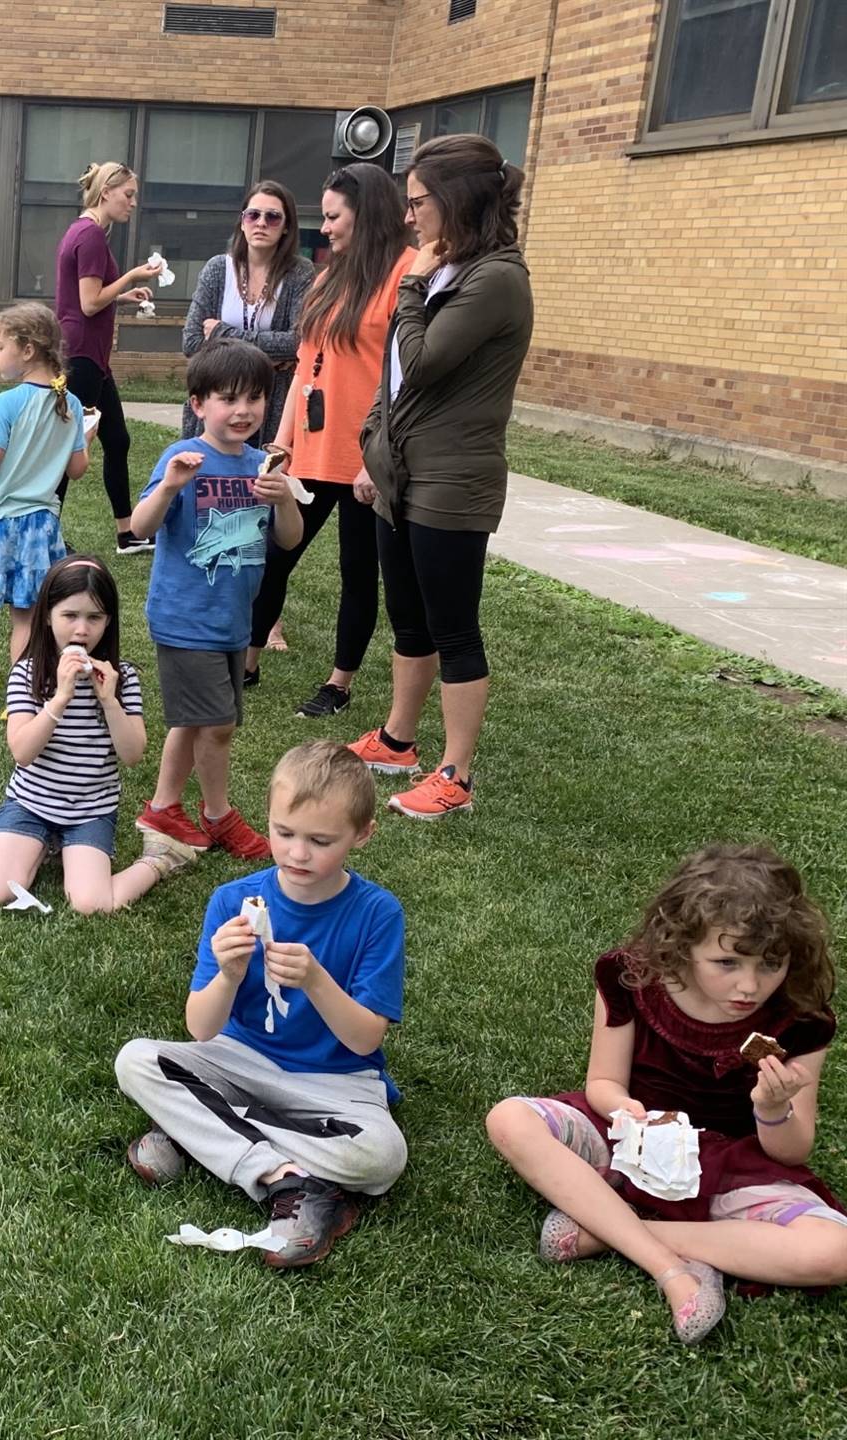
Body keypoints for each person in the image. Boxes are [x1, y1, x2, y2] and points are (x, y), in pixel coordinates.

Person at [485, 844, 845, 1345]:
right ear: (682, 945)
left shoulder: (802, 1020)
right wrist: (624, 1109)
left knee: (836, 1252)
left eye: (771, 963)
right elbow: (603, 1083)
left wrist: (772, 1108)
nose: (749, 985)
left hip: (727, 1161)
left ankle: (610, 1232)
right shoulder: (632, 978)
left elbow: (791, 1151)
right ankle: (671, 1268)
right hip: (630, 1135)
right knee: (509, 1119)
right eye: (726, 962)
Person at [114, 740, 407, 1268]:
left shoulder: (377, 913)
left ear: (362, 835)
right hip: (239, 1061)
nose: (297, 854)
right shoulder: (232, 901)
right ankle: (286, 1179)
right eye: (284, 833)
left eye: (320, 840)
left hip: (339, 1084)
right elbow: (201, 1028)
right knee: (134, 1060)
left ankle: (201, 1134)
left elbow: (365, 1040)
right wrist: (228, 973)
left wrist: (317, 981)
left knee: (383, 1157)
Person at [348, 134, 534, 819]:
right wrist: (374, 447)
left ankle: (455, 775)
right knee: (409, 616)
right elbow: (395, 378)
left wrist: (412, 285)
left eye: (419, 201)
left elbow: (422, 361)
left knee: (453, 626)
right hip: (403, 468)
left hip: (454, 478)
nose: (408, 216)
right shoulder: (455, 270)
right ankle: (399, 740)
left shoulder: (495, 279)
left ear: (454, 200)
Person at [249, 164, 414, 717]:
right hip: (312, 449)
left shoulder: (406, 273)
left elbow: (404, 376)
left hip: (366, 456)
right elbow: (304, 365)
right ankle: (246, 660)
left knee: (357, 573)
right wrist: (281, 439)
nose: (325, 227)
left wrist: (381, 454)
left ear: (365, 215)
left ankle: (338, 684)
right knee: (274, 554)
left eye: (334, 216)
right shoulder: (329, 275)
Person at [127, 341, 304, 861]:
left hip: (232, 619)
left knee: (195, 720)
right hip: (185, 618)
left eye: (255, 397)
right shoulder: (183, 458)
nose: (244, 410)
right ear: (199, 403)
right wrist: (170, 487)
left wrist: (285, 498)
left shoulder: (263, 464)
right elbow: (140, 527)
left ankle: (162, 806)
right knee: (219, 724)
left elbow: (289, 540)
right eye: (228, 399)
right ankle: (218, 813)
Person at [0, 556, 192, 915]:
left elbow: (133, 754)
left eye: (95, 618)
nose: (82, 631)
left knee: (91, 904)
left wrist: (109, 702)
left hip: (91, 810)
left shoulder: (123, 677)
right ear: (47, 615)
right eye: (69, 616)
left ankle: (160, 858)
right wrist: (59, 698)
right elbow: (22, 752)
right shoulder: (27, 673)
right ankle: (41, 843)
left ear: (109, 621)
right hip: (31, 803)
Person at [0, 301, 88, 700]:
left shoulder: (8, 402)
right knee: (24, 615)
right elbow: (77, 469)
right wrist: (84, 436)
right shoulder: (71, 404)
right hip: (40, 525)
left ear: (26, 350)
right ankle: (20, 697)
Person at [54, 161, 166, 554]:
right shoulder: (91, 236)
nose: (133, 203)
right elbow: (87, 304)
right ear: (106, 193)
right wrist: (132, 278)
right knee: (66, 449)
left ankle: (128, 532)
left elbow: (86, 296)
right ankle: (48, 536)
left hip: (92, 358)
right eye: (128, 195)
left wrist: (121, 296)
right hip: (81, 356)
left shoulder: (84, 231)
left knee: (117, 440)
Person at [178, 181, 315, 453]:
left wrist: (222, 333)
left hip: (271, 404)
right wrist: (270, 355)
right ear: (242, 222)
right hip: (217, 402)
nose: (261, 223)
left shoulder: (300, 273)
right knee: (207, 483)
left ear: (287, 226)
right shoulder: (218, 269)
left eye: (273, 217)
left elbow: (297, 342)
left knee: (263, 485)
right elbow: (192, 342)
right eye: (253, 215)